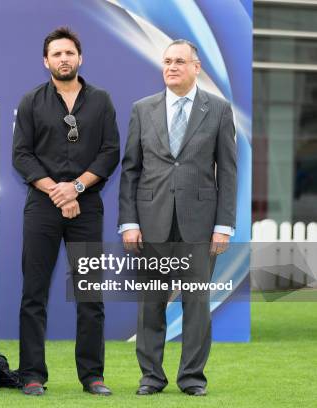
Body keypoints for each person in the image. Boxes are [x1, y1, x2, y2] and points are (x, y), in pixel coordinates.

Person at [118, 39, 237, 397]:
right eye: (167, 61)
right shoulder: (143, 109)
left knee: (196, 306)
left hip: (200, 225)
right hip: (151, 221)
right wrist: (129, 222)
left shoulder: (217, 109)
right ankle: (151, 378)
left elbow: (228, 172)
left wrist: (223, 225)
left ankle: (192, 379)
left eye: (179, 61)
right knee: (150, 306)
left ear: (196, 67)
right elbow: (130, 170)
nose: (171, 67)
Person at [12, 27, 120, 396]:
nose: (63, 59)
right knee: (34, 294)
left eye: (69, 53)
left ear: (80, 58)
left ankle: (93, 376)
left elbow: (109, 152)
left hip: (86, 206)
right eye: (56, 54)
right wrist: (57, 191)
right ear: (46, 62)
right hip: (41, 207)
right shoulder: (31, 101)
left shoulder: (101, 100)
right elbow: (22, 155)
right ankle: (31, 375)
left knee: (90, 294)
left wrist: (75, 188)